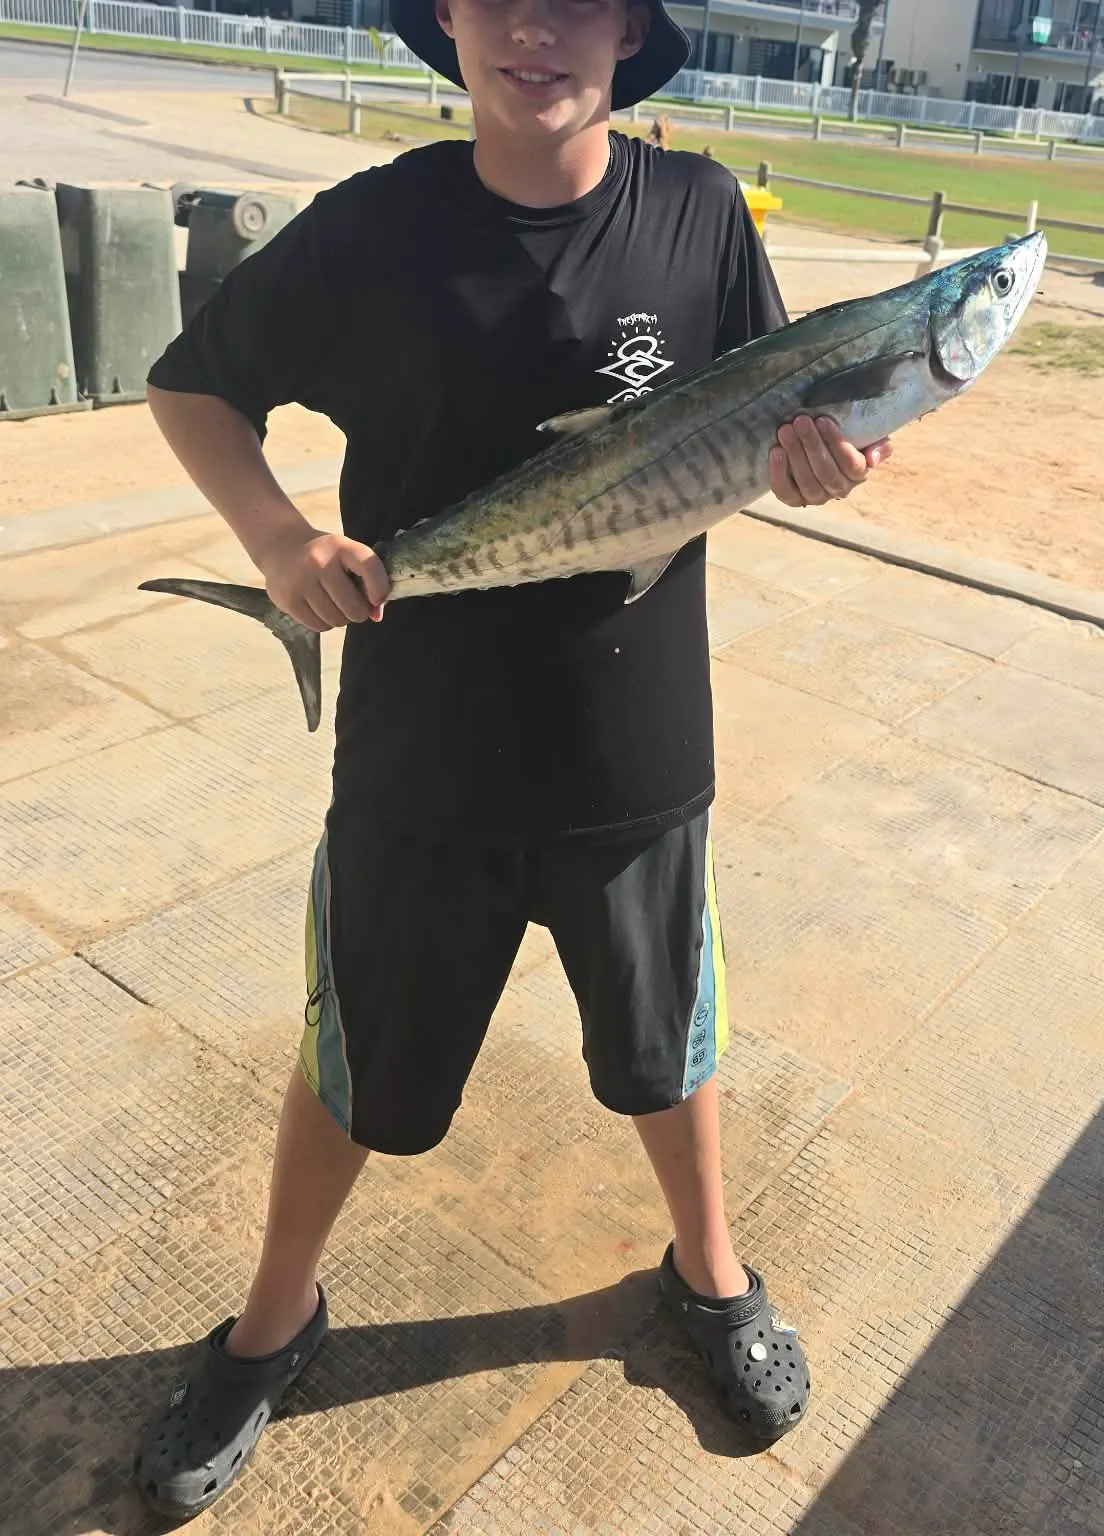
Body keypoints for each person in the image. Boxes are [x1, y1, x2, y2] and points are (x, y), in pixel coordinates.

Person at [130, 0, 892, 1518]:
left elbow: (789, 416)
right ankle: (273, 1321)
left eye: (577, 1)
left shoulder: (698, 211)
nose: (535, 29)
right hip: (420, 756)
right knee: (355, 1068)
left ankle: (710, 1276)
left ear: (626, 33)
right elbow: (191, 384)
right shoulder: (375, 225)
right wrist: (282, 546)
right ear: (452, 26)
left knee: (673, 1045)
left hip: (638, 747)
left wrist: (832, 466)